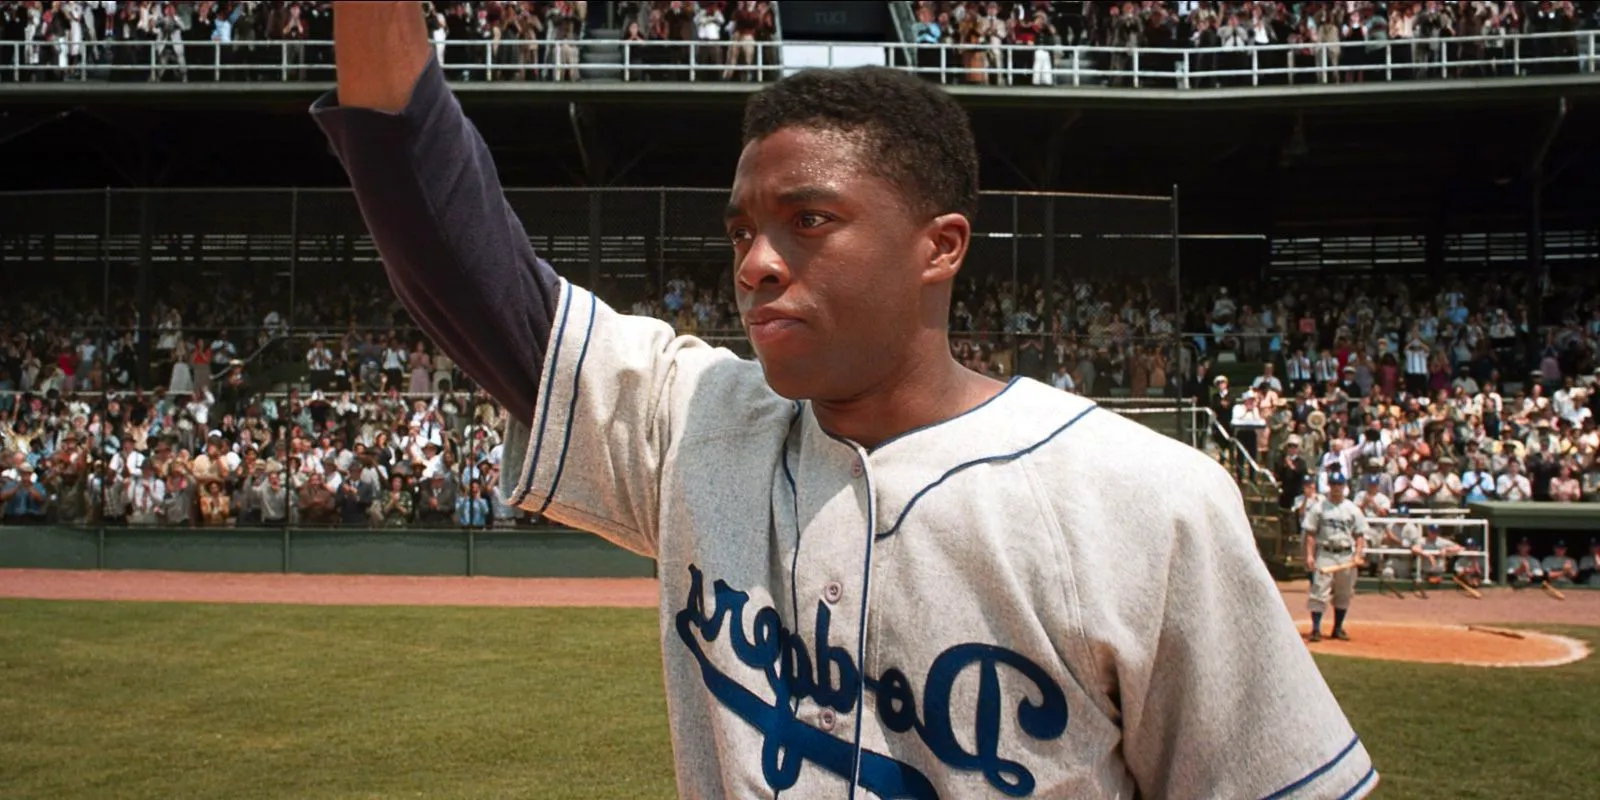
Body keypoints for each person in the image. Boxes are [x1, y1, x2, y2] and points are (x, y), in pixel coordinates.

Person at [310, 4, 1378, 796]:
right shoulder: (699, 424)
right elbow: (457, 257)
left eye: (807, 220)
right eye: (740, 231)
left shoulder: (1149, 500)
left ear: (938, 245)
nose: (756, 263)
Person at [1302, 473, 1368, 642]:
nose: (1336, 487)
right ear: (1329, 485)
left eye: (1339, 484)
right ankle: (1316, 629)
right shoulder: (1319, 507)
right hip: (1325, 552)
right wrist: (1309, 555)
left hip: (1346, 554)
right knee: (1319, 591)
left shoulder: (1352, 508)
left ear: (1344, 486)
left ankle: (1337, 628)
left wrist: (1358, 554)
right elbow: (1310, 533)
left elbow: (1360, 535)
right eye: (1333, 484)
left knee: (1344, 592)